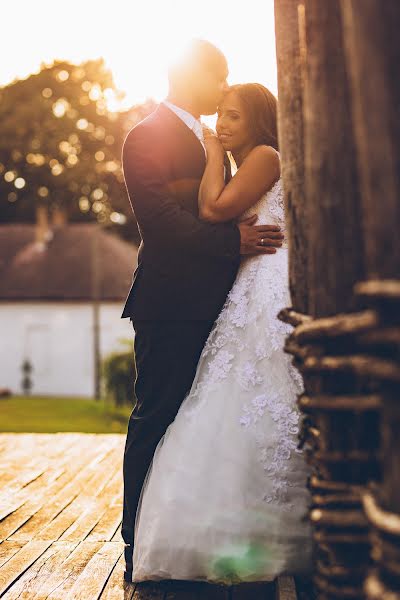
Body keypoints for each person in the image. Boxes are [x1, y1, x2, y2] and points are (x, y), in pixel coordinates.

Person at [131, 83, 312, 583]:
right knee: (231, 396)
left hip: (269, 284)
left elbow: (211, 208)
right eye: (222, 117)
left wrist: (212, 151)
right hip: (247, 282)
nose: (224, 125)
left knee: (264, 390)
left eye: (234, 117)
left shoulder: (266, 156)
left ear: (257, 120)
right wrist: (220, 156)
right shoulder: (247, 158)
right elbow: (216, 209)